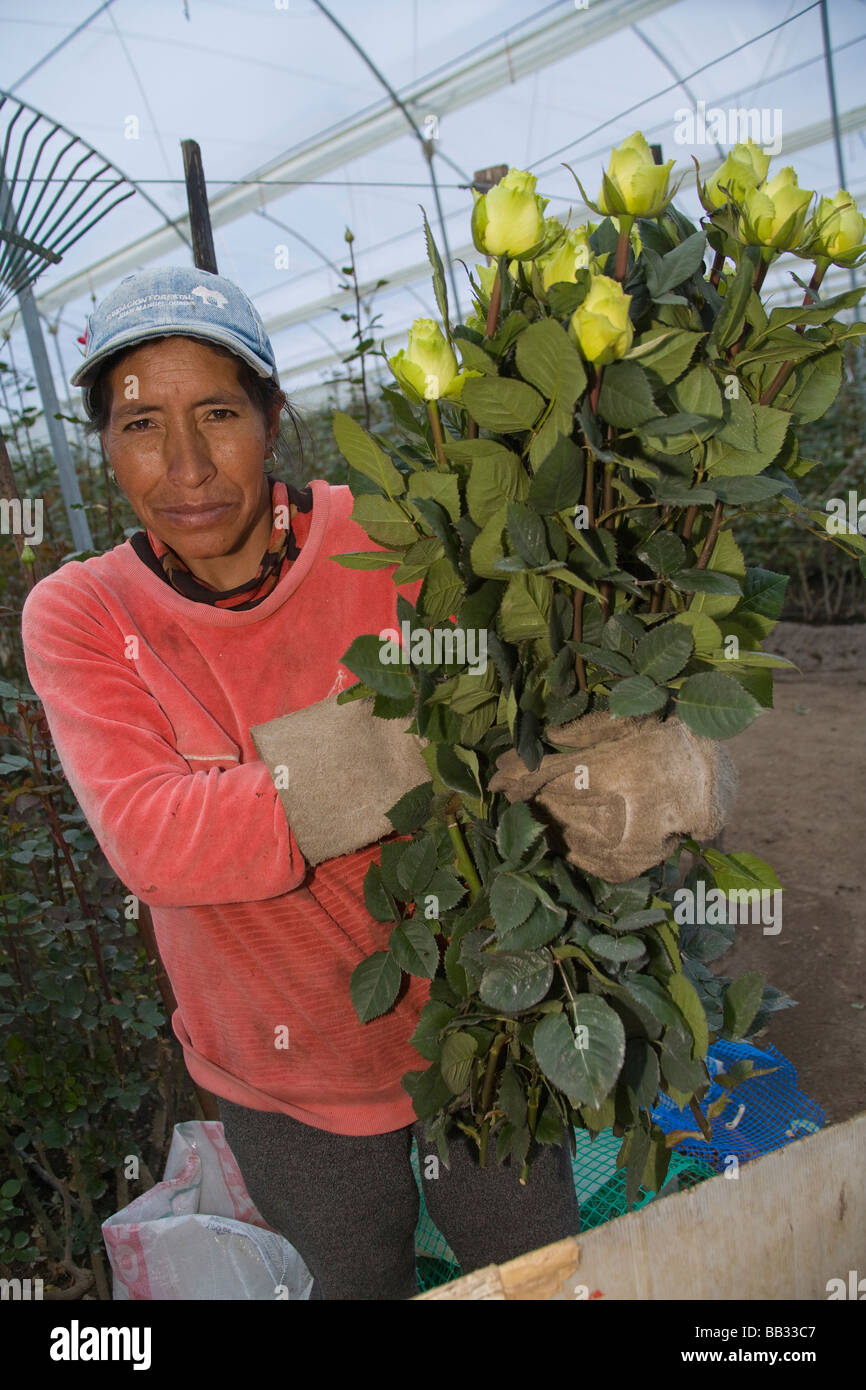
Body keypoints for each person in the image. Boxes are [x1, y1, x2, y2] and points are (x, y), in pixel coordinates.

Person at [20, 266, 581, 1301]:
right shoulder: (84, 614)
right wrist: (414, 739)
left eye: (219, 413)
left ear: (273, 416)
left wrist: (617, 758)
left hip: (476, 1028)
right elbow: (155, 841)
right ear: (104, 439)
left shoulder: (394, 535)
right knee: (352, 1283)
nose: (185, 465)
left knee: (539, 1274)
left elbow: (531, 710)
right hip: (281, 1077)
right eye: (141, 423)